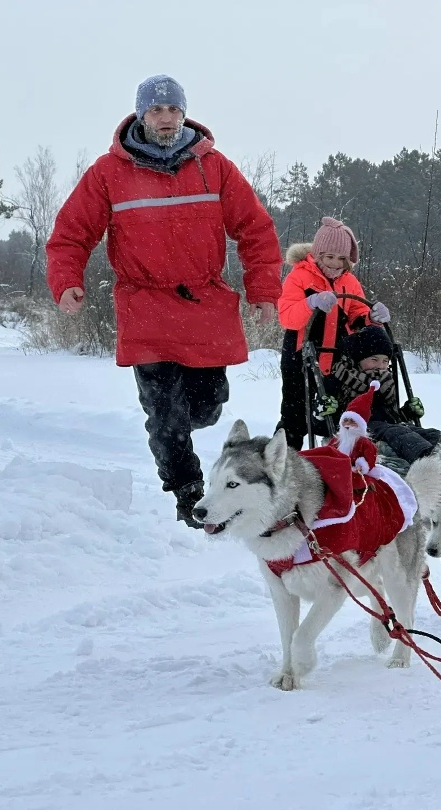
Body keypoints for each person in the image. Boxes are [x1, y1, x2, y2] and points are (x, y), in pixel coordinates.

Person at [46, 74, 282, 530]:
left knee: (208, 407)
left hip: (205, 306)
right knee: (166, 415)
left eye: (173, 110)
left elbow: (256, 229)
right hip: (145, 307)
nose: (166, 118)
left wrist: (264, 290)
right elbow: (71, 233)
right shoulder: (108, 173)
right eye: (156, 110)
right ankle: (186, 489)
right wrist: (66, 281)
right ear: (141, 114)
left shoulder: (214, 167)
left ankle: (177, 438)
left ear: (183, 113)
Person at [276, 217, 390, 450]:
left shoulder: (349, 281)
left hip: (337, 359)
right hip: (300, 356)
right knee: (295, 414)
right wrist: (311, 302)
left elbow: (357, 315)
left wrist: (372, 317)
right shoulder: (299, 277)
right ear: (318, 254)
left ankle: (332, 457)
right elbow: (287, 316)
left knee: (331, 412)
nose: (336, 264)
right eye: (329, 257)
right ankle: (286, 459)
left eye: (342, 259)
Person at [318, 325, 441, 464]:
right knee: (398, 432)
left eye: (385, 361)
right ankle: (427, 457)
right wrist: (324, 409)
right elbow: (321, 422)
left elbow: (391, 415)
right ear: (357, 359)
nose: (380, 366)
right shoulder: (338, 378)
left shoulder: (385, 382)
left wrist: (408, 412)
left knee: (428, 433)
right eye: (374, 360)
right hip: (361, 431)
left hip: (388, 425)